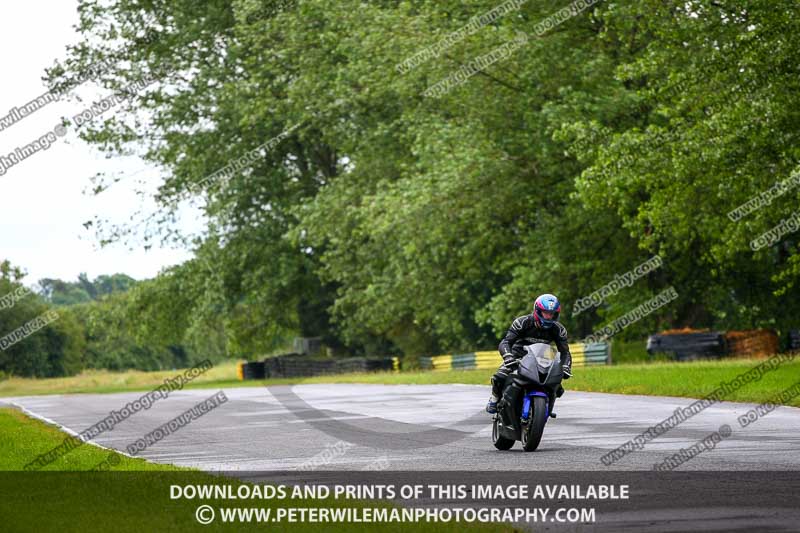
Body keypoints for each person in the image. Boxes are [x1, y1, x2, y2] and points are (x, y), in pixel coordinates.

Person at [485, 293, 572, 416]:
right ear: (537, 311)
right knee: (499, 377)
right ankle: (494, 398)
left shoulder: (559, 329)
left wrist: (566, 366)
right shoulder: (522, 322)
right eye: (545, 313)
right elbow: (505, 342)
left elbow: (564, 352)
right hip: (518, 356)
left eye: (551, 314)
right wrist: (508, 356)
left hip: (543, 359)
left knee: (557, 386)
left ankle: (547, 408)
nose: (548, 317)